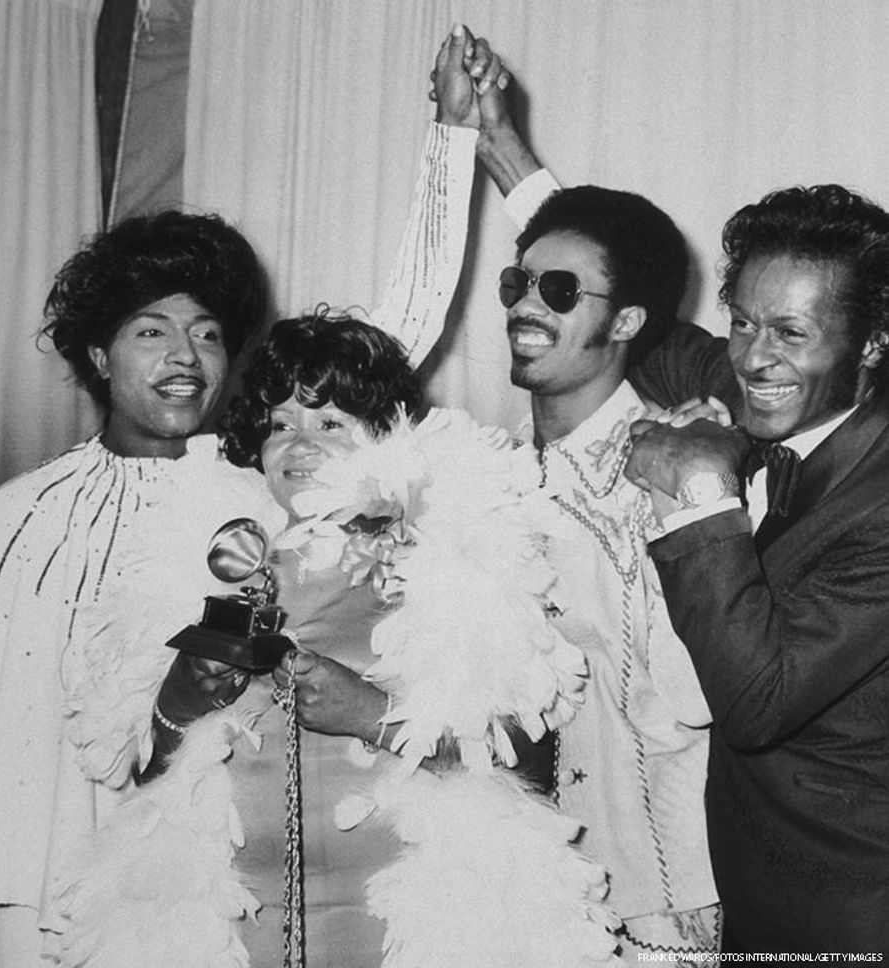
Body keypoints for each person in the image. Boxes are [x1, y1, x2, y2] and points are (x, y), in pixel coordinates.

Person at [0, 86, 486, 966]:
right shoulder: (19, 516)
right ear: (99, 355)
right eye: (151, 331)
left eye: (207, 334)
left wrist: (453, 140)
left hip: (214, 900)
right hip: (43, 890)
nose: (183, 358)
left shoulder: (268, 495)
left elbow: (392, 340)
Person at [49, 310, 619, 968]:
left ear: (387, 440)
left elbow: (527, 764)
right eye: (280, 425)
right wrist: (181, 699)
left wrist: (371, 715)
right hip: (234, 925)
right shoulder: (212, 555)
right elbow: (150, 778)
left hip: (411, 927)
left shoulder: (446, 557)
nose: (298, 444)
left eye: (329, 424)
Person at [431, 29, 724, 959]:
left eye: (559, 290)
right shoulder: (498, 479)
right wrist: (492, 142)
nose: (527, 303)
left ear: (629, 322)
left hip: (664, 901)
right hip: (539, 897)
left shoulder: (673, 472)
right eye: (519, 281)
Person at [624, 185, 889, 953]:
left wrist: (700, 492)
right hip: (758, 902)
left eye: (788, 332)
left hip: (851, 920)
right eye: (739, 321)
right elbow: (654, 335)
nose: (750, 357)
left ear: (873, 341)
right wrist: (502, 150)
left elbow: (758, 702)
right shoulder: (781, 383)